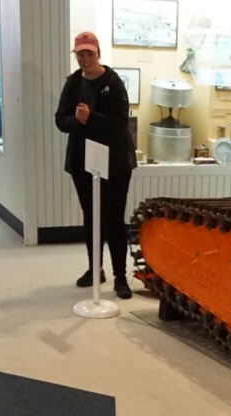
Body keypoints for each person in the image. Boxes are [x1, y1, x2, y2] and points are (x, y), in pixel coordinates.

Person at [55, 31, 137, 301]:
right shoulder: (72, 83)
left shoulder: (113, 83)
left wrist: (91, 118)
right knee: (91, 217)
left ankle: (120, 277)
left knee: (114, 218)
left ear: (98, 53)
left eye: (89, 53)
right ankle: (95, 270)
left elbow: (120, 122)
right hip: (82, 161)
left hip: (115, 161)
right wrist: (77, 122)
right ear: (76, 55)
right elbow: (60, 120)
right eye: (80, 54)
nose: (85, 58)